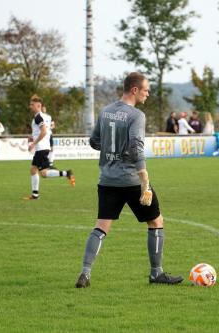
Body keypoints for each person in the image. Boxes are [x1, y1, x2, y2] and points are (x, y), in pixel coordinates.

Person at [75, 72, 183, 288]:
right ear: (134, 90)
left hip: (107, 179)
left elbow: (94, 141)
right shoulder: (136, 115)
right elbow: (136, 147)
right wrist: (144, 181)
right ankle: (156, 273)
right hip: (132, 180)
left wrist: (111, 149)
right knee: (156, 221)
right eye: (146, 90)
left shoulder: (105, 112)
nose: (148, 94)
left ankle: (85, 274)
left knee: (102, 226)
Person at [24, 95, 75, 200]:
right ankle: (35, 194)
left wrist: (34, 143)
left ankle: (35, 195)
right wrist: (32, 137)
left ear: (38, 106)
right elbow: (42, 131)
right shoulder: (43, 116)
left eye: (32, 104)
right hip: (44, 147)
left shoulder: (38, 117)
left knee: (38, 171)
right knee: (38, 171)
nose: (30, 106)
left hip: (41, 148)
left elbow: (44, 131)